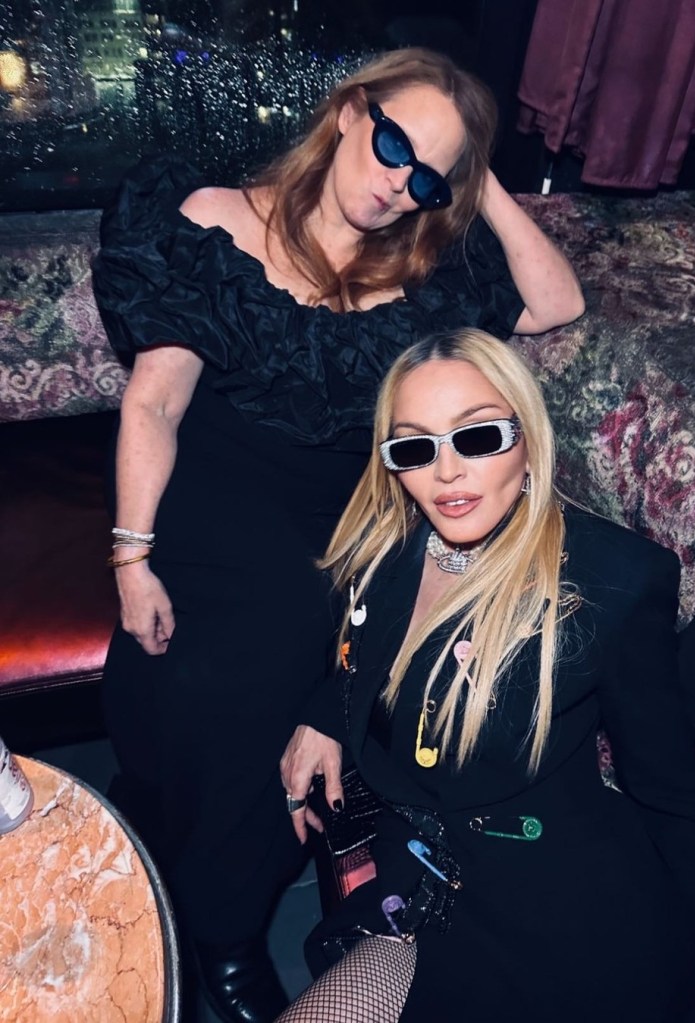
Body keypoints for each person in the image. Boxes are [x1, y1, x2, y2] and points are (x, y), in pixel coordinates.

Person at [91, 47, 584, 1023]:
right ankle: (211, 909)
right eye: (394, 145)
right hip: (215, 501)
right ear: (351, 112)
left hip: (350, 521)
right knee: (238, 667)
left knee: (322, 659)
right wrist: (131, 555)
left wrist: (475, 178)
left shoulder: (427, 266)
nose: (400, 184)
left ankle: (219, 901)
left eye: (429, 178)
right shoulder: (215, 219)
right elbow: (153, 404)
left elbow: (556, 300)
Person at [278, 328, 695, 1023]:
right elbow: (371, 657)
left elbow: (672, 791)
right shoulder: (386, 549)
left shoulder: (613, 581)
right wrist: (325, 713)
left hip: (560, 913)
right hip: (424, 882)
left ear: (528, 436)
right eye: (414, 447)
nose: (445, 473)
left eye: (477, 437)